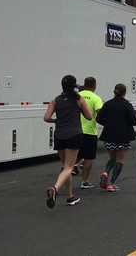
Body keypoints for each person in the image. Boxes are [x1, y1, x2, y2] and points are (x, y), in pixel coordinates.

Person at [44, 75, 93, 209]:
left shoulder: (56, 100)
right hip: (74, 134)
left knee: (65, 166)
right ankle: (55, 188)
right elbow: (89, 116)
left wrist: (57, 121)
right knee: (69, 168)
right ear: (74, 86)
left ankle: (70, 196)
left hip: (59, 135)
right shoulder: (79, 99)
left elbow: (46, 118)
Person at [95, 83, 136, 192]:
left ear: (114, 91)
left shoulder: (107, 104)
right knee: (120, 160)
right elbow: (133, 121)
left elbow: (98, 119)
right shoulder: (127, 105)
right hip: (123, 136)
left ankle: (106, 172)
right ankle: (111, 183)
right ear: (124, 93)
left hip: (108, 135)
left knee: (112, 158)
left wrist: (108, 123)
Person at [71, 76, 103, 189]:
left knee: (75, 155)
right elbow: (100, 114)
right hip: (90, 131)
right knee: (88, 158)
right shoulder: (96, 98)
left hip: (75, 130)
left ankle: (65, 173)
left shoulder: (76, 96)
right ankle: (84, 181)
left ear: (84, 84)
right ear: (94, 85)